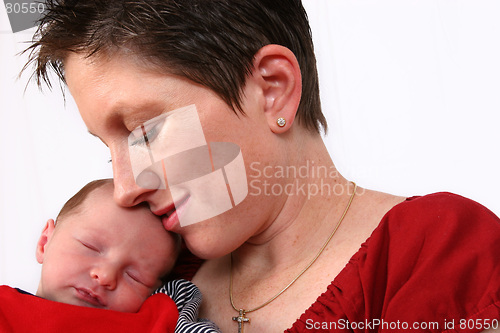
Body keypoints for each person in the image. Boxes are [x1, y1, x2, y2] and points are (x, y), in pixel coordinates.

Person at [24, 0, 500, 332]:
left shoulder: (435, 256)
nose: (125, 188)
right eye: (109, 149)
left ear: (272, 88)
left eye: (145, 132)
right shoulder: (146, 275)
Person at [0, 179, 221, 332]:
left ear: (154, 291)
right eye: (90, 247)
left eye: (134, 277)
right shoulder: (6, 309)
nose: (105, 276)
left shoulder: (156, 319)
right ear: (44, 242)